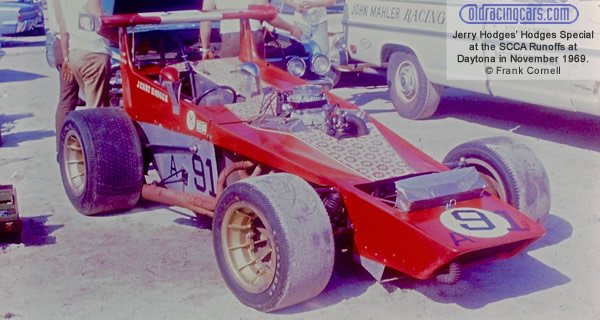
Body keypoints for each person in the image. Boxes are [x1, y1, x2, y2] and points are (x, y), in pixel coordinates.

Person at [53, 0, 111, 149]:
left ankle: (67, 151)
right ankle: (95, 158)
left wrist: (66, 58)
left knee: (89, 106)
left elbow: (63, 28)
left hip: (76, 53)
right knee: (95, 114)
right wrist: (122, 40)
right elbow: (99, 25)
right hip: (94, 53)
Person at [200, 0, 303, 59]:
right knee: (257, 77)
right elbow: (269, 16)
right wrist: (292, 29)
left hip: (230, 37)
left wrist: (205, 49)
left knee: (232, 78)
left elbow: (205, 20)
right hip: (254, 35)